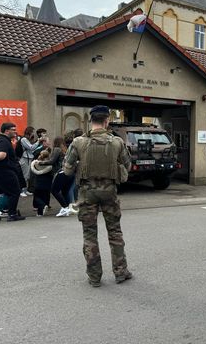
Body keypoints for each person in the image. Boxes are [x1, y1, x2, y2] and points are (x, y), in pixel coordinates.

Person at [63, 105, 132, 287]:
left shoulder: (78, 142)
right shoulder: (117, 142)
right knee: (115, 232)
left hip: (87, 193)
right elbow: (128, 165)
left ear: (90, 120)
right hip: (109, 191)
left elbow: (67, 170)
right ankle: (121, 272)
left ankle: (94, 277)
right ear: (107, 120)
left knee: (89, 235)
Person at [40, 136, 75, 217]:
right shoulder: (65, 150)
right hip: (69, 172)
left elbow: (52, 161)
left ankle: (65, 207)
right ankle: (67, 208)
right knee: (65, 191)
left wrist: (41, 163)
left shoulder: (56, 149)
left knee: (54, 190)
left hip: (60, 172)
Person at [18, 126, 46, 196]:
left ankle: (25, 189)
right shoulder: (24, 139)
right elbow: (31, 147)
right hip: (24, 159)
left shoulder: (27, 140)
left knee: (28, 175)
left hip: (28, 158)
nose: (33, 134)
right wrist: (38, 141)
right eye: (32, 132)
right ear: (29, 132)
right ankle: (21, 191)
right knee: (24, 175)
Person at [30, 150, 53, 217]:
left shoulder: (35, 163)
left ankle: (40, 211)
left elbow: (33, 170)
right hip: (47, 182)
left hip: (38, 181)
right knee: (44, 196)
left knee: (37, 197)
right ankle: (44, 207)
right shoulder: (49, 165)